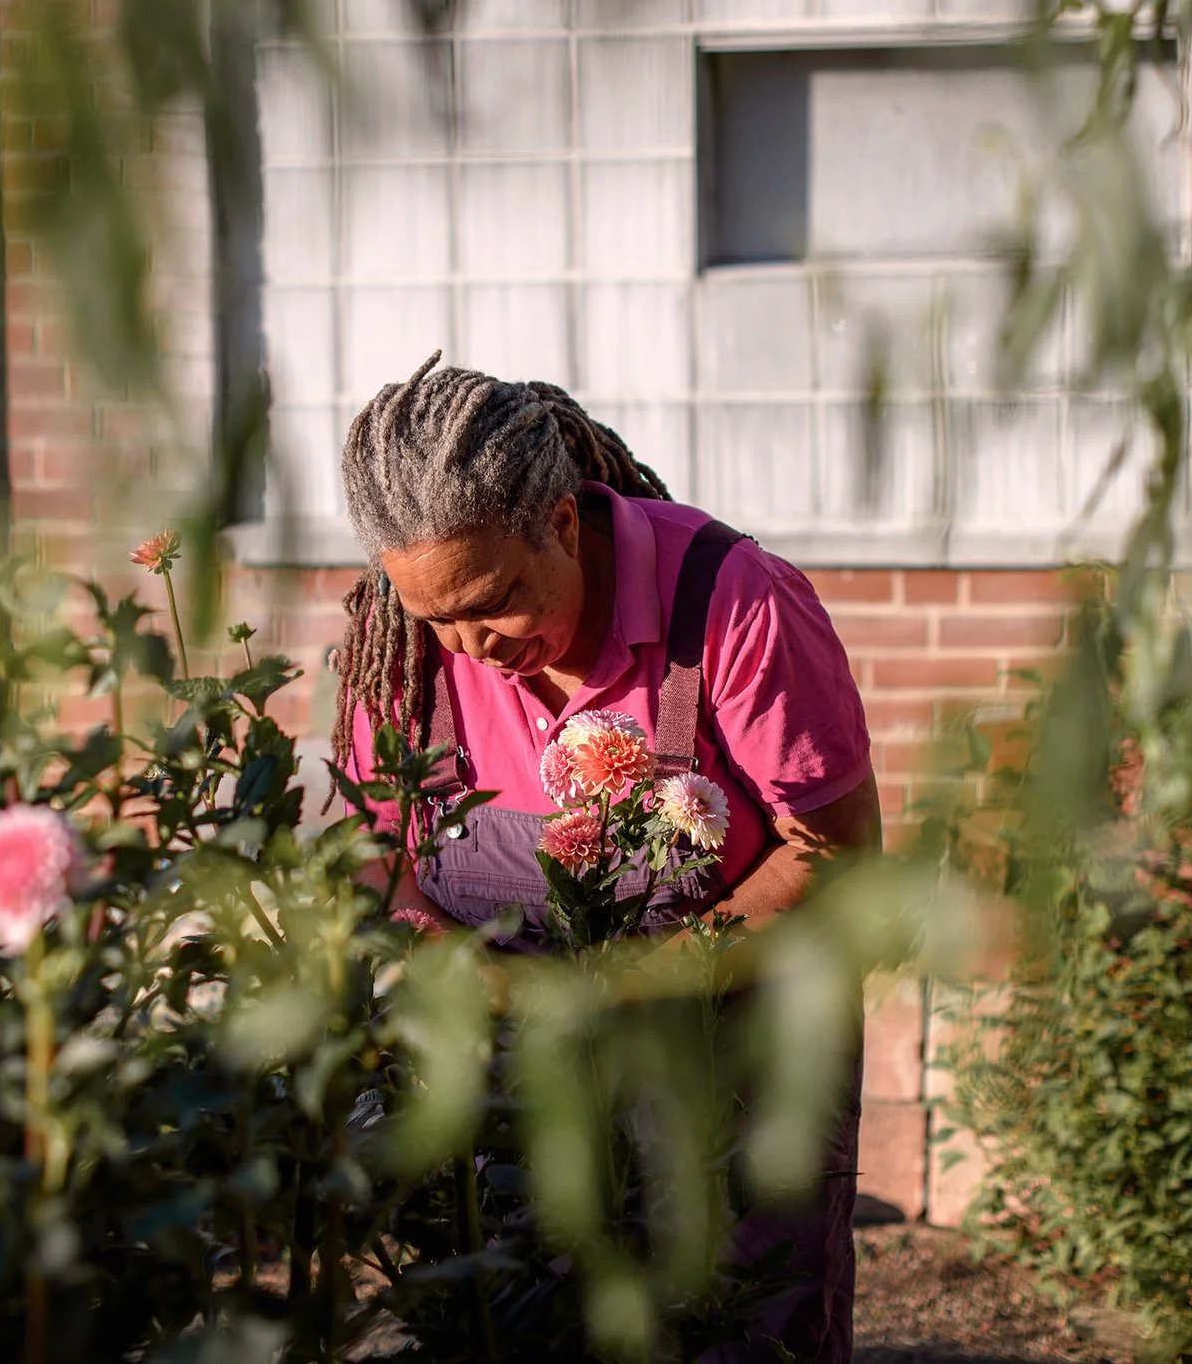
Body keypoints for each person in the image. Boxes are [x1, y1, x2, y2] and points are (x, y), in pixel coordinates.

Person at [332, 355, 881, 1363]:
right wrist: (435, 957)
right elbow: (373, 851)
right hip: (505, 1065)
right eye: (434, 615)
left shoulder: (729, 602)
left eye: (492, 599)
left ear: (558, 521)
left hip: (731, 1050)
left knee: (730, 1326)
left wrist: (626, 984)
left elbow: (835, 852)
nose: (467, 645)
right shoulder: (403, 642)